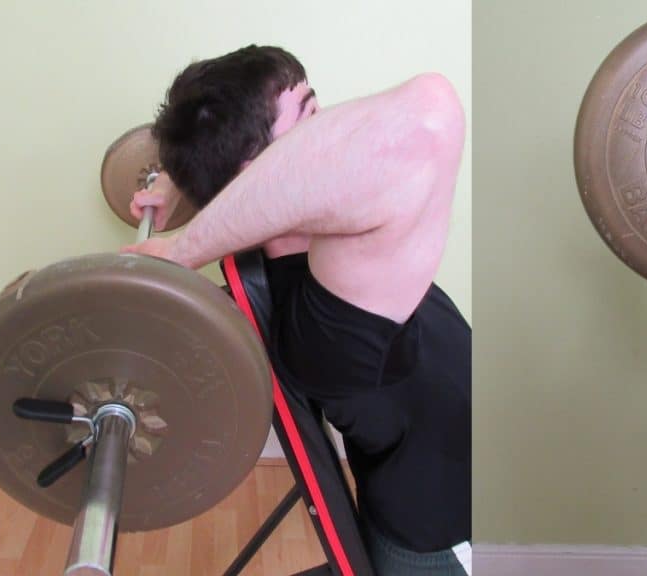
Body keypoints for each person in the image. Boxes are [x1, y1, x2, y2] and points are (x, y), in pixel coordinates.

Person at [123, 45, 471, 575]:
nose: (331, 130)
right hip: (452, 547)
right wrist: (182, 248)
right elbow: (428, 115)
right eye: (310, 117)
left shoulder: (323, 249)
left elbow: (306, 159)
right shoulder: (330, 308)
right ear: (257, 172)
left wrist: (181, 176)